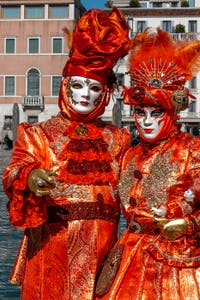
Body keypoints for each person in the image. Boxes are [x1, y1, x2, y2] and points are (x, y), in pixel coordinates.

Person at [2, 8, 131, 300]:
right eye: (78, 84)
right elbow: (12, 173)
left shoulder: (119, 139)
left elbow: (136, 187)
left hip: (103, 259)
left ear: (105, 94)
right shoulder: (36, 134)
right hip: (51, 253)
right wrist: (31, 176)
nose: (85, 94)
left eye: (94, 87)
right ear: (65, 86)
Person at [95, 28, 200, 299]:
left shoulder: (192, 150)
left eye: (156, 113)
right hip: (126, 258)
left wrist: (187, 225)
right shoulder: (129, 155)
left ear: (172, 113)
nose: (147, 121)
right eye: (140, 112)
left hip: (173, 265)